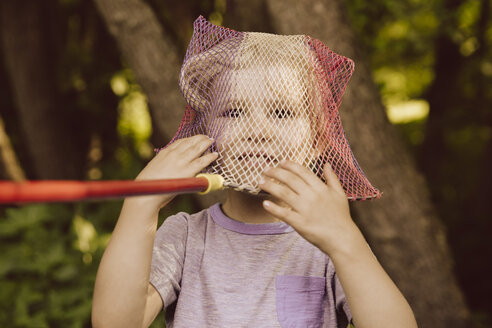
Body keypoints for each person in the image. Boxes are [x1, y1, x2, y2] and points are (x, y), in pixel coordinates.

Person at [92, 18, 417, 328]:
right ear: (206, 133)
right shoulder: (186, 238)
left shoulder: (329, 240)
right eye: (233, 112)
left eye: (281, 112)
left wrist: (346, 242)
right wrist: (140, 205)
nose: (257, 130)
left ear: (318, 140)